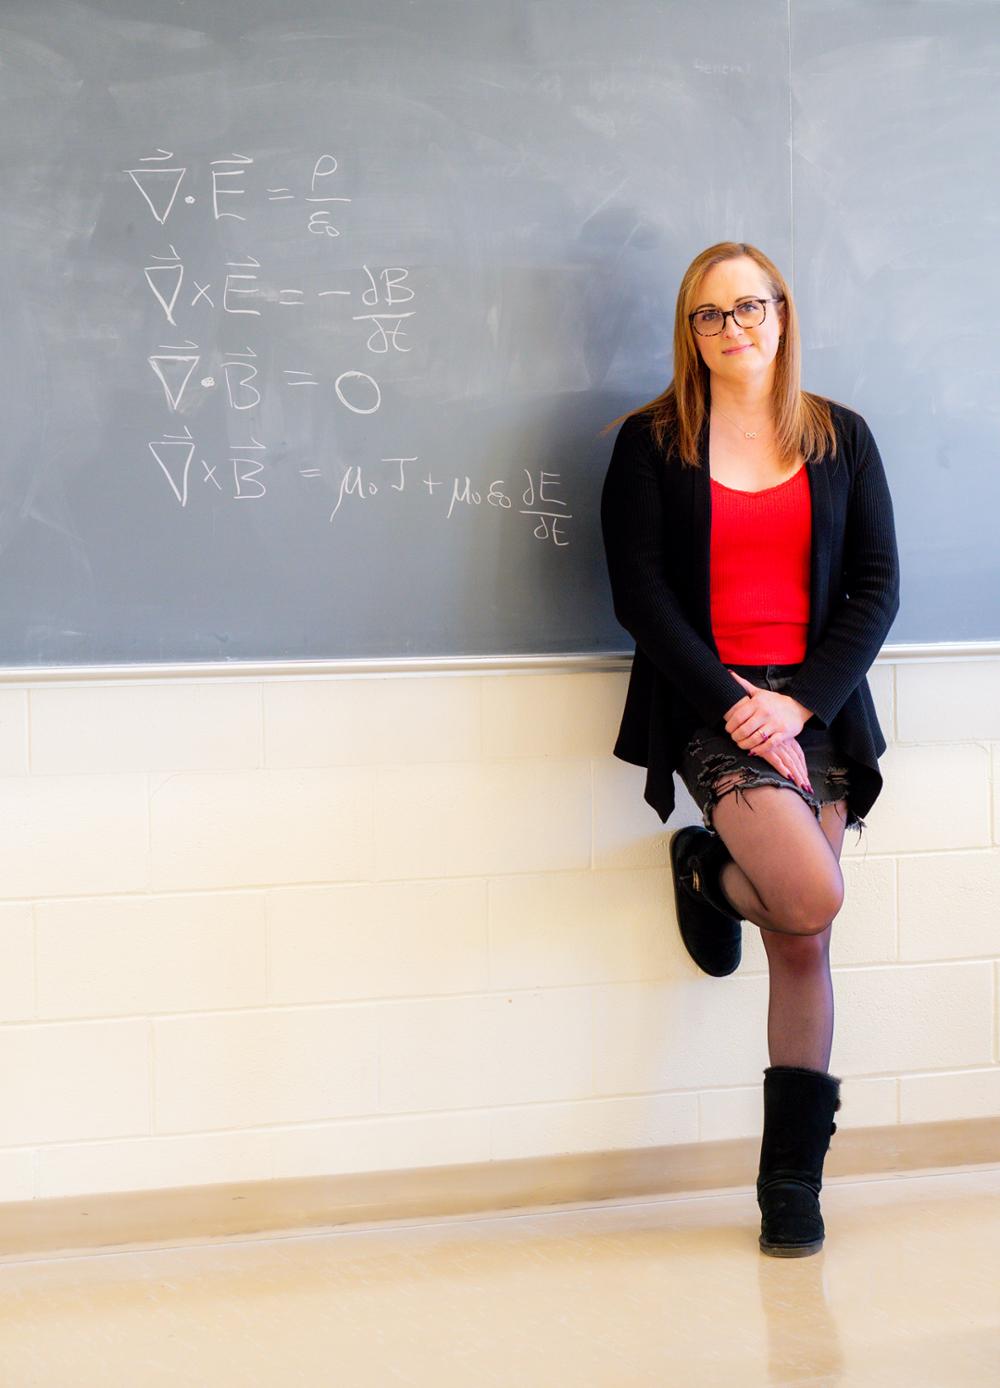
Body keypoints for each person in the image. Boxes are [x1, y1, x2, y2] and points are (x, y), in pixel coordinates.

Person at [599, 241, 900, 1257]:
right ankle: (710, 866)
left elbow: (875, 587)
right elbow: (639, 592)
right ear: (690, 334)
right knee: (812, 895)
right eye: (710, 315)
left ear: (782, 312)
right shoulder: (652, 443)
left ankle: (789, 1187)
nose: (734, 329)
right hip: (709, 708)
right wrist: (736, 700)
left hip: (819, 715)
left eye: (750, 306)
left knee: (800, 937)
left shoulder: (839, 438)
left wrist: (800, 701)